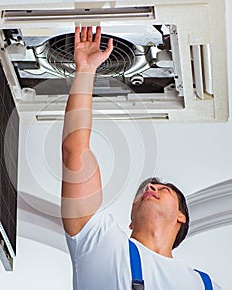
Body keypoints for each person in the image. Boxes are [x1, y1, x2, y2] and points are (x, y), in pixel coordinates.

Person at [61, 26, 221, 290]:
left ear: (181, 216)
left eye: (164, 188)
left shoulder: (205, 285)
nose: (151, 187)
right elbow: (74, 150)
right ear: (131, 221)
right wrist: (86, 70)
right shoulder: (100, 243)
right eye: (151, 188)